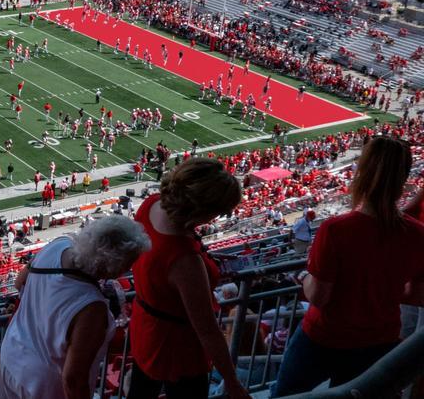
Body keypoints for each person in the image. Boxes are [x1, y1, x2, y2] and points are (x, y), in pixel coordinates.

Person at [272, 138, 424, 396]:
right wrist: (380, 289)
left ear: (362, 173)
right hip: (379, 339)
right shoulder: (418, 234)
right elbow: (417, 294)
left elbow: (319, 296)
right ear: (404, 178)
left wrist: (304, 276)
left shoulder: (336, 229)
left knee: (286, 395)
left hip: (324, 338)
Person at [128, 158, 249, 399]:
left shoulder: (151, 205)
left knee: (141, 391)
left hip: (144, 323)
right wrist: (232, 382)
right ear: (201, 209)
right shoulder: (184, 260)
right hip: (177, 346)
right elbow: (207, 330)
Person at [0, 215, 150, 398]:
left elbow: (19, 283)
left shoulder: (58, 245)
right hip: (42, 383)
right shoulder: (92, 308)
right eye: (127, 264)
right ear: (113, 263)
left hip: (12, 355)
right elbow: (73, 379)